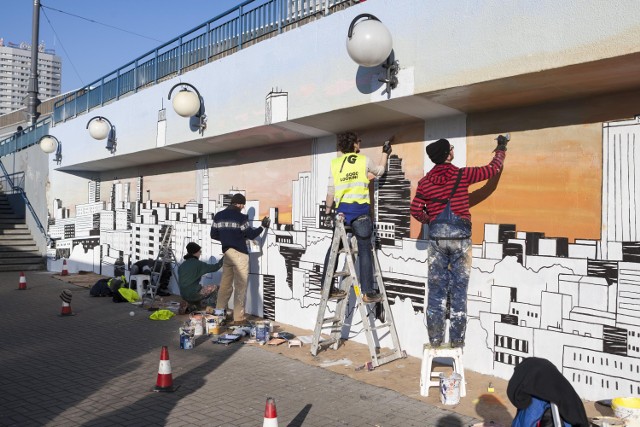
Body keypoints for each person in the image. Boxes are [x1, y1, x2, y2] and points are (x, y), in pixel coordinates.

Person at [410, 135, 508, 348]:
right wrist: (501, 147)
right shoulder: (462, 175)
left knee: (436, 290)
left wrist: (431, 220)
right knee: (459, 289)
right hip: (461, 238)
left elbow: (416, 210)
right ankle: (456, 341)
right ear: (448, 154)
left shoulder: (425, 183)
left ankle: (435, 339)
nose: (453, 150)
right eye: (451, 148)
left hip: (437, 239)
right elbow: (492, 169)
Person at [324, 131, 392, 304]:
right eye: (358, 141)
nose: (360, 144)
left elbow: (331, 190)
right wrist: (385, 153)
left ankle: (327, 288)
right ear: (354, 144)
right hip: (360, 212)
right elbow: (380, 172)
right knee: (364, 251)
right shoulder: (363, 160)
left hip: (341, 213)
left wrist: (327, 210)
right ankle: (368, 292)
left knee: (333, 249)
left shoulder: (335, 163)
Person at [210, 193, 270, 325]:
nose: (243, 207)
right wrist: (263, 227)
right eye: (243, 205)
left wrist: (227, 238)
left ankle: (219, 315)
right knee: (240, 286)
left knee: (225, 286)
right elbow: (251, 234)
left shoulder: (219, 215)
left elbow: (213, 234)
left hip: (227, 253)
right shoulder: (241, 217)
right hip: (240, 255)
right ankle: (238, 318)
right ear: (239, 204)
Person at [177, 242, 224, 314]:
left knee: (197, 306)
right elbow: (215, 267)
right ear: (195, 252)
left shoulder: (182, 265)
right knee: (216, 287)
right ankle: (211, 309)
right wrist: (225, 257)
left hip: (183, 294)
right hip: (194, 293)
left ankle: (189, 305)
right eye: (200, 251)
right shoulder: (198, 264)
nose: (200, 253)